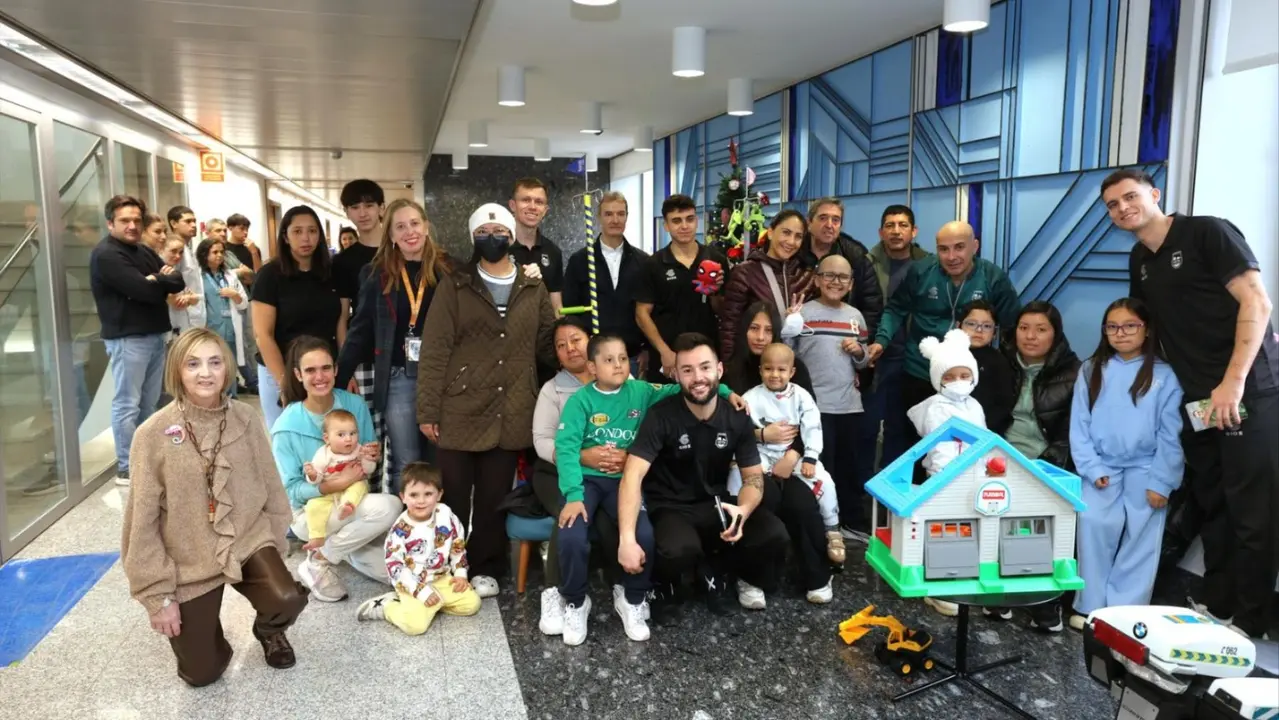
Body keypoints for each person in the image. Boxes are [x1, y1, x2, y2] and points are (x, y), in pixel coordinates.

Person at [1102, 169, 1278, 640]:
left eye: (1130, 197)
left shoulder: (1207, 232)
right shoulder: (1140, 258)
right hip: (1196, 400)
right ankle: (1220, 603)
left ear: (1154, 195)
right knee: (1213, 501)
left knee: (1252, 510)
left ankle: (1253, 618)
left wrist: (1233, 382)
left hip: (1247, 393)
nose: (1123, 208)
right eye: (1113, 205)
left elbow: (1258, 304)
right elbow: (1149, 332)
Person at [121, 328, 307, 687]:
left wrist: (273, 540)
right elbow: (140, 522)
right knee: (201, 674)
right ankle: (206, 638)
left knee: (286, 597)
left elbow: (270, 483)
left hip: (247, 538)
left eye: (215, 362)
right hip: (187, 557)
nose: (205, 373)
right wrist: (157, 595)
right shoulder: (152, 434)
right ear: (177, 370)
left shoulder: (246, 418)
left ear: (227, 369)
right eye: (193, 364)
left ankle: (268, 630)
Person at [550, 333, 742, 644]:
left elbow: (677, 388)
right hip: (585, 480)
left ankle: (634, 598)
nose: (618, 365)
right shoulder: (580, 402)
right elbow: (567, 448)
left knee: (645, 535)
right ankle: (574, 602)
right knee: (572, 534)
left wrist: (724, 390)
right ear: (592, 366)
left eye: (623, 358)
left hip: (624, 482)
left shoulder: (640, 391)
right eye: (608, 360)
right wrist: (573, 496)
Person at [417, 202, 557, 599]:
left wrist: (581, 359)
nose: (491, 237)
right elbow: (435, 349)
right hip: (458, 407)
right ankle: (449, 563)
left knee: (496, 496)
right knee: (455, 495)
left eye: (499, 230)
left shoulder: (532, 285)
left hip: (511, 408)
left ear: (512, 237)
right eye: (483, 231)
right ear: (474, 237)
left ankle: (487, 566)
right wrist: (427, 409)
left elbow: (547, 343)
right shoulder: (456, 284)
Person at [616, 333, 790, 613]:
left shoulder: (736, 416)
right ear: (677, 376)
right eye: (687, 370)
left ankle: (718, 571)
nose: (698, 377)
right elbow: (632, 476)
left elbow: (753, 477)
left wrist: (743, 510)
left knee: (774, 534)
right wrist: (626, 539)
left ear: (719, 370)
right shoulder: (660, 416)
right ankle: (675, 581)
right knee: (680, 549)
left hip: (715, 505)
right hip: (670, 507)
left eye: (705, 367)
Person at [1069, 298, 1184, 631]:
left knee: (1141, 540)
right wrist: (1092, 468)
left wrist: (1162, 481)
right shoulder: (1091, 369)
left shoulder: (1165, 375)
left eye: (1130, 325)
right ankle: (1090, 605)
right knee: (1092, 528)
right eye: (1112, 327)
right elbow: (1080, 425)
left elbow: (1170, 434)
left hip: (1146, 469)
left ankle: (1124, 612)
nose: (1121, 333)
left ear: (1145, 329)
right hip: (1102, 468)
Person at [271, 336, 401, 602]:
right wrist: (334, 484)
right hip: (311, 513)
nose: (320, 376)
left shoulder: (353, 405)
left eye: (325, 368)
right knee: (379, 523)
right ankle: (325, 558)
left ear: (336, 369)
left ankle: (325, 554)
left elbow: (366, 463)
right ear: (297, 375)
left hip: (349, 503)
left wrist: (370, 456)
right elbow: (291, 492)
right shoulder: (286, 426)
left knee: (391, 519)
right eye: (310, 370)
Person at [867, 221, 1020, 448]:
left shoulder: (992, 277)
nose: (951, 256)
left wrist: (1006, 366)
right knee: (912, 443)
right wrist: (881, 340)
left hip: (967, 378)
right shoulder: (921, 270)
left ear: (974, 246)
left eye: (959, 247)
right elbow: (896, 308)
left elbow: (1011, 323)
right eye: (943, 249)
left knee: (960, 444)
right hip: (919, 371)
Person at [337, 198, 450, 492]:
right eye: (400, 227)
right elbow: (360, 328)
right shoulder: (376, 274)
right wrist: (341, 375)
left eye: (414, 223)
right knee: (406, 461)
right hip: (400, 378)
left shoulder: (449, 270)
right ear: (390, 235)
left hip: (442, 380)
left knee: (439, 458)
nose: (409, 231)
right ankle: (409, 529)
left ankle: (438, 527)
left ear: (426, 227)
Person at [89, 195, 186, 487]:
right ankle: (126, 466)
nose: (132, 225)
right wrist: (158, 280)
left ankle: (146, 458)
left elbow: (178, 281)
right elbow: (141, 290)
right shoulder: (107, 254)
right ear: (110, 223)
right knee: (128, 404)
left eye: (136, 220)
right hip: (128, 339)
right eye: (124, 221)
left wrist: (156, 279)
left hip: (155, 335)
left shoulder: (142, 251)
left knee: (148, 403)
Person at [1001, 300, 1081, 632]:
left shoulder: (1075, 373)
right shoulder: (1000, 363)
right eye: (1024, 328)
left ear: (1055, 334)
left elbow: (1073, 432)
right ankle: (1000, 597)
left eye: (1041, 329)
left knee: (1035, 531)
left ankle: (1045, 604)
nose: (1030, 336)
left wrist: (1043, 466)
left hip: (1046, 462)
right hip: (1000, 458)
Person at [737, 343, 843, 569]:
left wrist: (811, 457)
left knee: (825, 481)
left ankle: (832, 529)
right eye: (768, 369)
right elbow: (739, 428)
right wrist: (761, 436)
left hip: (793, 455)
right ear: (760, 370)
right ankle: (735, 516)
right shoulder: (751, 397)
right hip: (762, 452)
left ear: (792, 372)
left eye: (781, 370)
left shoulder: (801, 397)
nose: (774, 375)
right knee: (738, 474)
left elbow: (813, 427)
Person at [791, 254, 872, 539]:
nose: (835, 282)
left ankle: (851, 522)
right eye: (829, 275)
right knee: (819, 468)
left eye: (843, 277)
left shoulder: (855, 316)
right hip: (815, 408)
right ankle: (820, 524)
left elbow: (864, 362)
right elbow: (789, 354)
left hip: (850, 406)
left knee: (849, 467)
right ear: (816, 279)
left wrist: (860, 352)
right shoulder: (804, 313)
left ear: (850, 284)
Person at [355, 463, 481, 635]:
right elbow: (395, 567)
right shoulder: (399, 530)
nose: (421, 501)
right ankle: (388, 606)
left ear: (439, 495)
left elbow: (457, 546)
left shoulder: (445, 514)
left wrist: (460, 574)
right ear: (403, 497)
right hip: (411, 583)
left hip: (440, 578)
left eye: (428, 494)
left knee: (472, 604)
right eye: (414, 495)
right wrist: (421, 592)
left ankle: (433, 603)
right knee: (416, 627)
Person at [252, 205, 344, 431]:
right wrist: (284, 382)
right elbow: (262, 334)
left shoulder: (330, 273)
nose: (306, 238)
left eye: (312, 231)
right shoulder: (270, 275)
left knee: (326, 438)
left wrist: (341, 366)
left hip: (322, 370)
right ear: (285, 236)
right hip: (281, 368)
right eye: (297, 231)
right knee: (287, 436)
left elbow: (340, 322)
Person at [864, 205, 934, 471]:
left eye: (903, 225)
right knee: (867, 428)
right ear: (881, 232)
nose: (896, 231)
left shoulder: (928, 265)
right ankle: (863, 495)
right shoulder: (866, 263)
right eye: (890, 225)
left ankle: (894, 490)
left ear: (914, 231)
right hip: (874, 358)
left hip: (913, 360)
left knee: (902, 429)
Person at [634, 194, 729, 382]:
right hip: (667, 358)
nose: (684, 226)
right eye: (676, 221)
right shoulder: (653, 264)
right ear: (666, 225)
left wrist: (714, 293)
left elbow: (724, 311)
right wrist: (664, 351)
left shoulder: (716, 260)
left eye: (690, 219)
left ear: (697, 221)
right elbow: (641, 314)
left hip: (705, 356)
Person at [563, 191, 648, 376]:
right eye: (608, 214)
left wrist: (646, 349)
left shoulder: (643, 262)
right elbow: (571, 308)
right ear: (598, 217)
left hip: (631, 357)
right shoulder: (579, 261)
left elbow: (650, 310)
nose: (615, 220)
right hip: (592, 358)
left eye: (620, 214)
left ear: (627, 216)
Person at [719, 210, 815, 359]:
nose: (791, 241)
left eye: (798, 237)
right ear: (770, 232)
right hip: (754, 363)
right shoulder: (745, 272)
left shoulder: (805, 276)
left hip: (792, 364)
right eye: (786, 233)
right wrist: (729, 367)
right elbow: (729, 326)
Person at [799, 198, 884, 337]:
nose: (829, 225)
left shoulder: (855, 257)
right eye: (823, 218)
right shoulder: (794, 252)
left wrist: (861, 342)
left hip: (844, 340)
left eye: (836, 220)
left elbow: (872, 305)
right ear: (809, 222)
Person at [908, 329, 987, 477]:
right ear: (938, 381)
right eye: (949, 378)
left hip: (975, 473)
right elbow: (940, 446)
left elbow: (984, 437)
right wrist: (943, 475)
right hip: (945, 477)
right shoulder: (936, 408)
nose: (958, 381)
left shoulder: (975, 404)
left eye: (964, 376)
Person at [301, 409, 375, 551]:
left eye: (352, 433)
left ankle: (347, 506)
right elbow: (317, 479)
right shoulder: (323, 454)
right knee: (312, 506)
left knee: (359, 485)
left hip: (352, 486)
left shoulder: (358, 449)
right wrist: (312, 475)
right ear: (327, 438)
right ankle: (317, 536)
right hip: (330, 491)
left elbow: (368, 470)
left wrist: (367, 459)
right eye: (341, 435)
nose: (349, 439)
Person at [195, 239, 248, 397]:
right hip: (210, 328)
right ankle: (213, 397)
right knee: (212, 365)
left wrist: (235, 295)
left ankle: (231, 397)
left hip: (230, 328)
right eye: (215, 252)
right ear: (204, 255)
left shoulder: (229, 276)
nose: (219, 256)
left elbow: (244, 303)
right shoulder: (198, 277)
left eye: (221, 252)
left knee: (229, 365)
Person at [958, 300, 1016, 433]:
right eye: (971, 324)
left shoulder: (1000, 362)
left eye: (987, 326)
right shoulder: (946, 356)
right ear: (958, 326)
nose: (979, 330)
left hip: (986, 431)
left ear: (995, 332)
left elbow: (1004, 405)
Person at [508, 177, 565, 312]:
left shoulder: (553, 252)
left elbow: (556, 306)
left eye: (539, 202)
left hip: (543, 331)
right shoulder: (498, 248)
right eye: (526, 200)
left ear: (545, 210)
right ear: (512, 205)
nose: (532, 207)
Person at [160, 236, 205, 335]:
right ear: (161, 249)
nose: (178, 256)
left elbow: (194, 299)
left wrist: (189, 298)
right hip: (164, 328)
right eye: (173, 251)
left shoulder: (178, 272)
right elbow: (172, 300)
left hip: (182, 325)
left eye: (181, 252)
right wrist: (182, 299)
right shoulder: (157, 271)